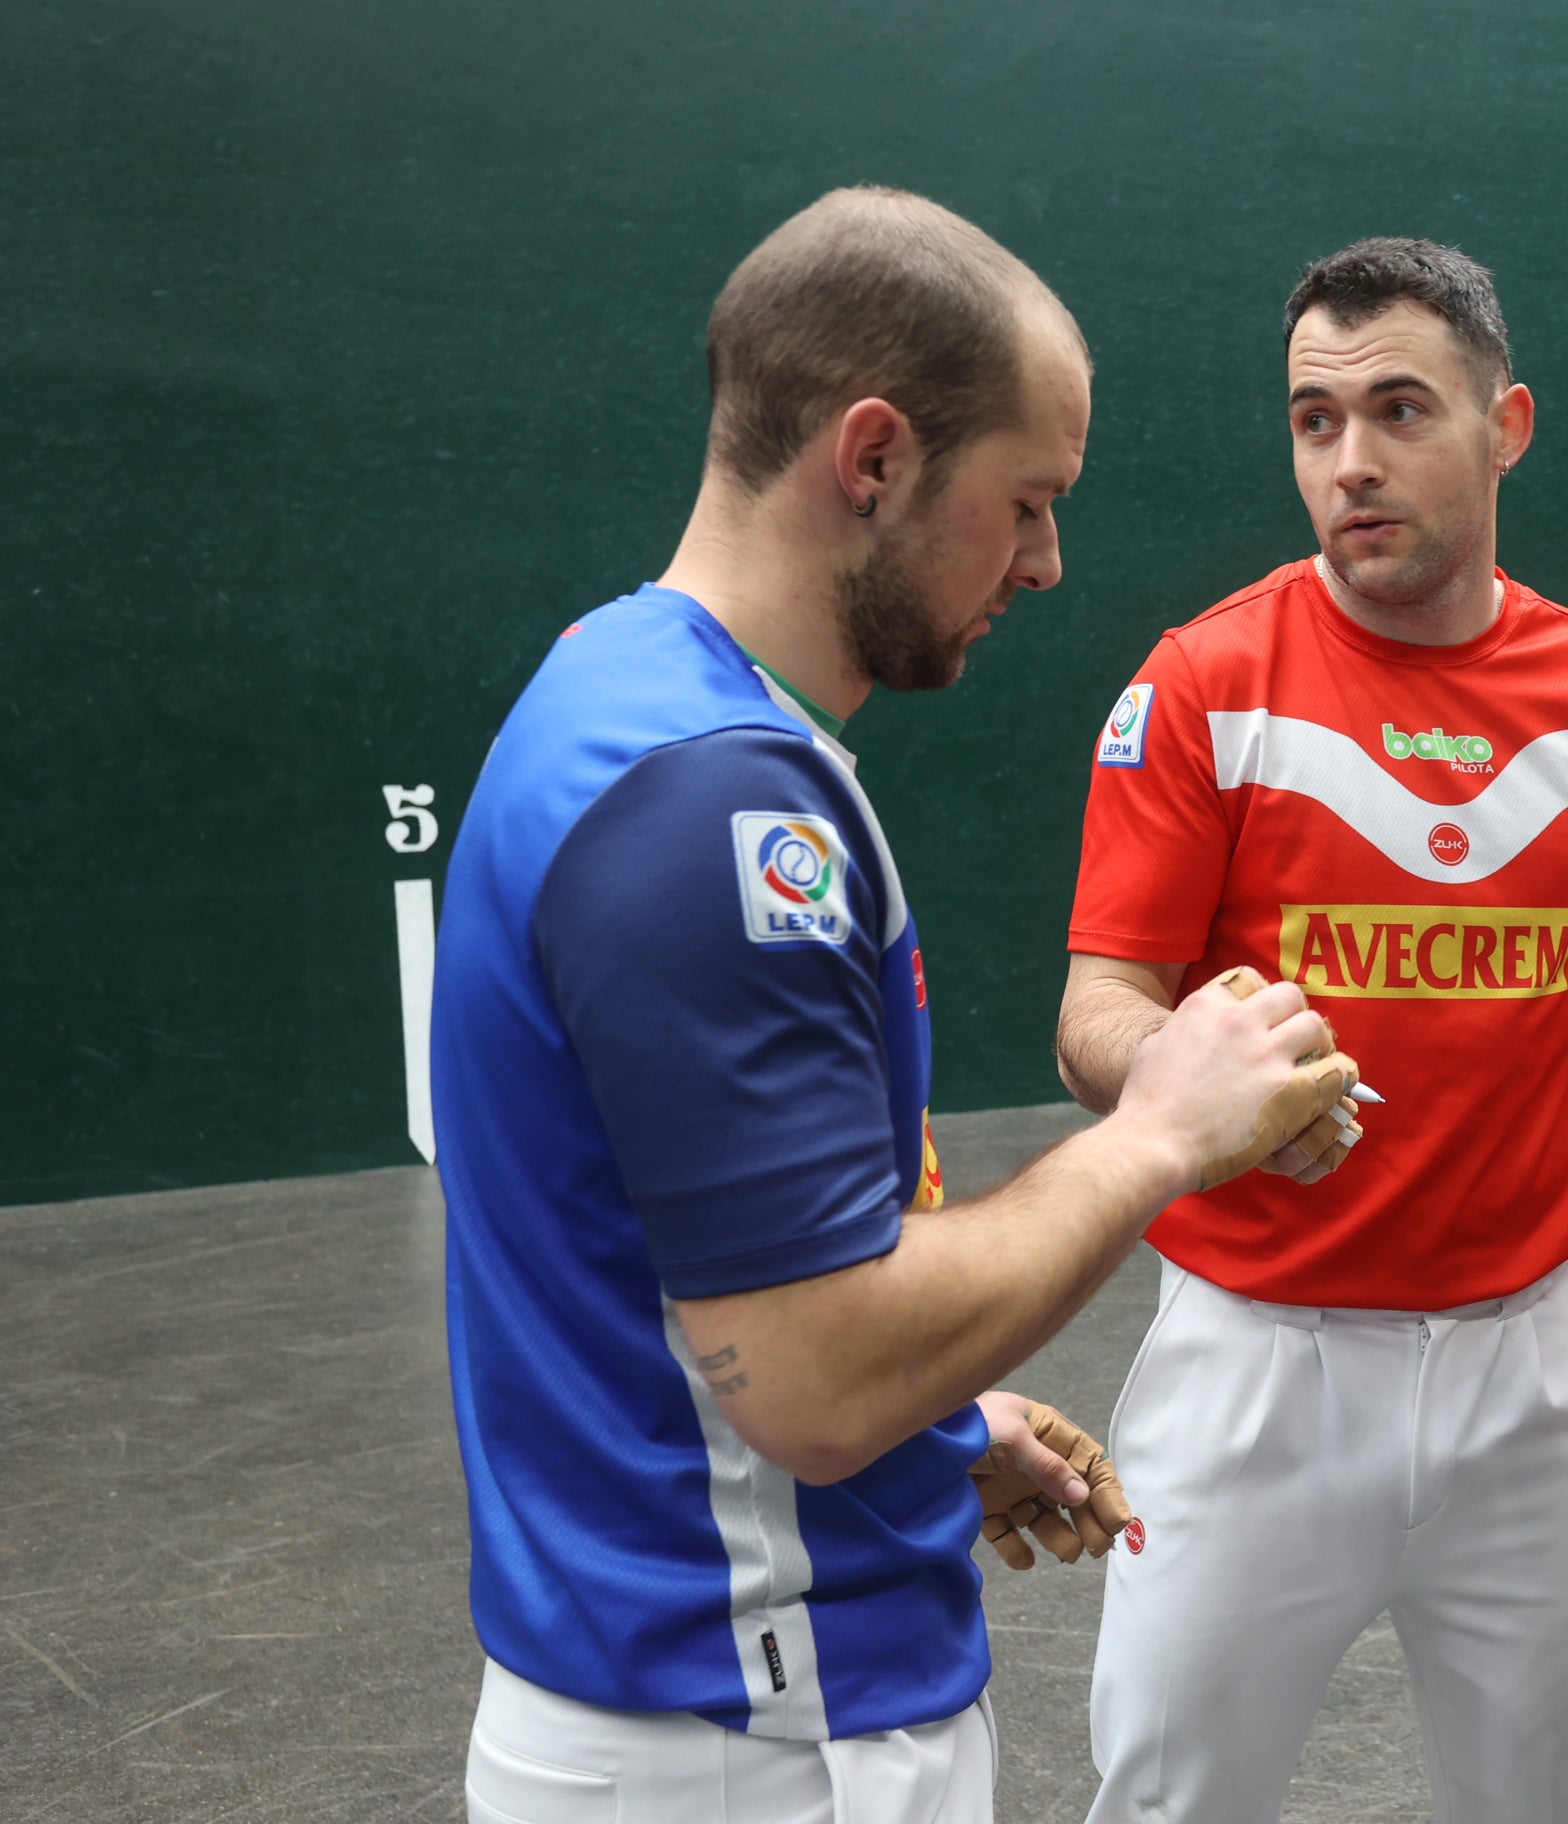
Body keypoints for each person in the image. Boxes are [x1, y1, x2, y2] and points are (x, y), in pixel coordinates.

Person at [431, 187, 1355, 1824]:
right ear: (873, 460)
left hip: (698, 1701)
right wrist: (1160, 1134)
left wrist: (946, 1430)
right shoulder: (716, 809)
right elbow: (815, 1378)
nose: (1050, 563)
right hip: (761, 1740)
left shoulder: (622, 689)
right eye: (1027, 502)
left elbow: (700, 1280)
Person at [1055, 237, 1568, 1823]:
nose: (1350, 461)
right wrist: (1192, 1084)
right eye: (1313, 421)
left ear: (1505, 426)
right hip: (1253, 1371)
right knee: (1171, 1805)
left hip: (1531, 1367)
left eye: (1399, 410)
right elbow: (1100, 1006)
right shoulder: (1205, 680)